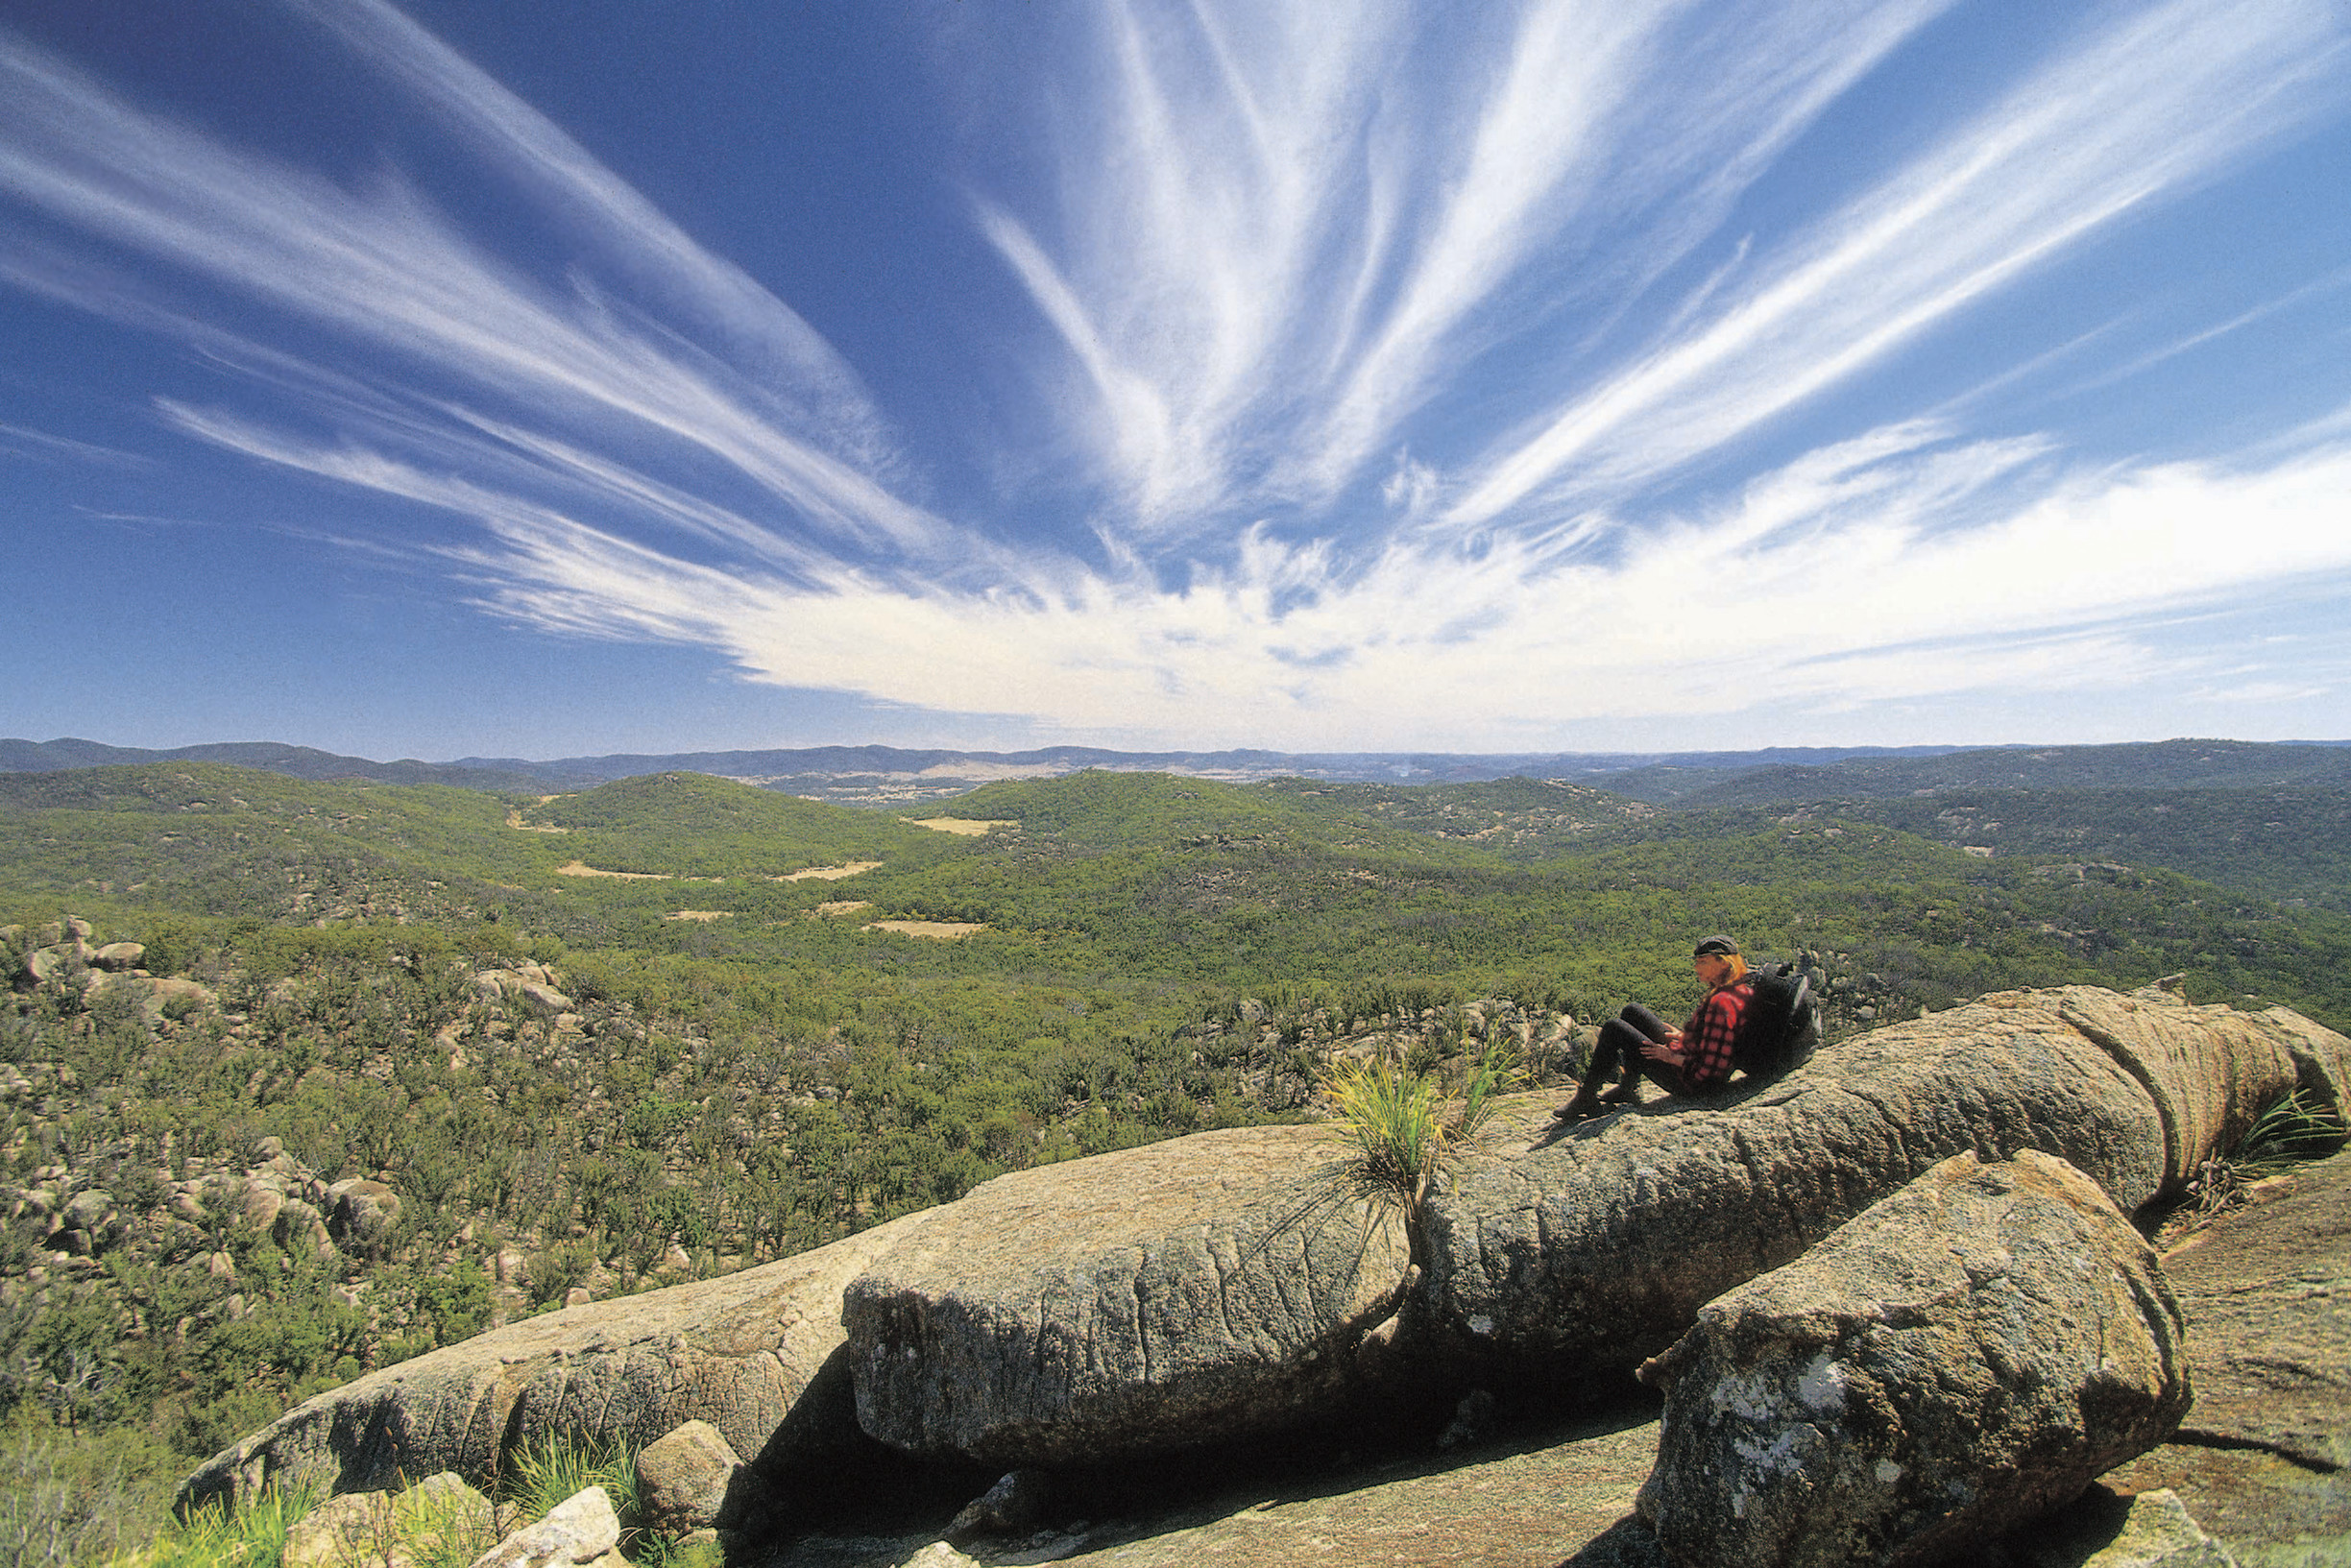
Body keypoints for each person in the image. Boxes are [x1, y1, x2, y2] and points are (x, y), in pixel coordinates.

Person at [1555, 935, 1750, 1122]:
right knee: (1632, 1011)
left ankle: (1586, 1097)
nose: (1696, 966)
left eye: (1703, 962)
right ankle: (1628, 1088)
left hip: (1694, 1084)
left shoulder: (1722, 1003)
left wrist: (1671, 1057)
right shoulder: (1732, 990)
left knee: (1613, 1028)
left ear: (1724, 963)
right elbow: (1716, 1043)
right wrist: (1683, 1038)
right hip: (1693, 1063)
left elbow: (1714, 1067)